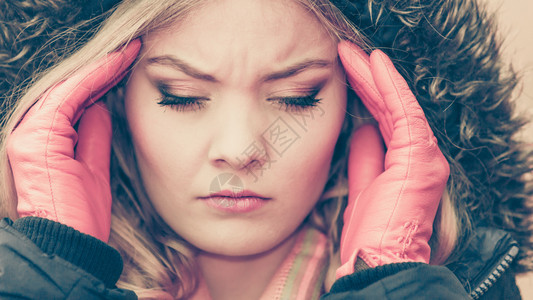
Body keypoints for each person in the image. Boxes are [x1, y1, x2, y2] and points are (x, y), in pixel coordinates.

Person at [0, 0, 531, 299]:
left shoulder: (464, 283)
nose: (239, 150)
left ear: (363, 109)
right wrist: (53, 262)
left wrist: (394, 281)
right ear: (106, 101)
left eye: (295, 98)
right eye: (181, 98)